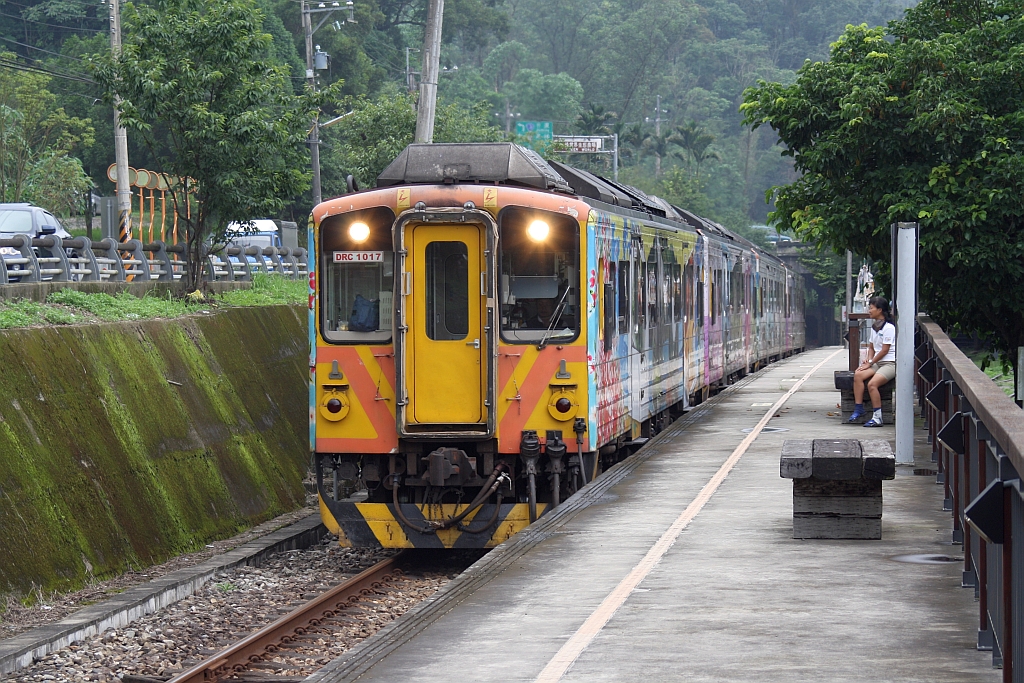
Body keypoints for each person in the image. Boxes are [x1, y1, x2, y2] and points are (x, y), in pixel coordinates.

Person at [848, 296, 896, 427]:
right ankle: (859, 408)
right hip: (877, 362)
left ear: (880, 310)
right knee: (858, 375)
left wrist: (871, 362)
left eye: (871, 308)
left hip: (890, 363)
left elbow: (884, 351)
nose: (869, 311)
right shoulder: (875, 327)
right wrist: (868, 360)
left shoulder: (889, 328)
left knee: (872, 384)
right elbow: (872, 347)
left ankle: (877, 417)